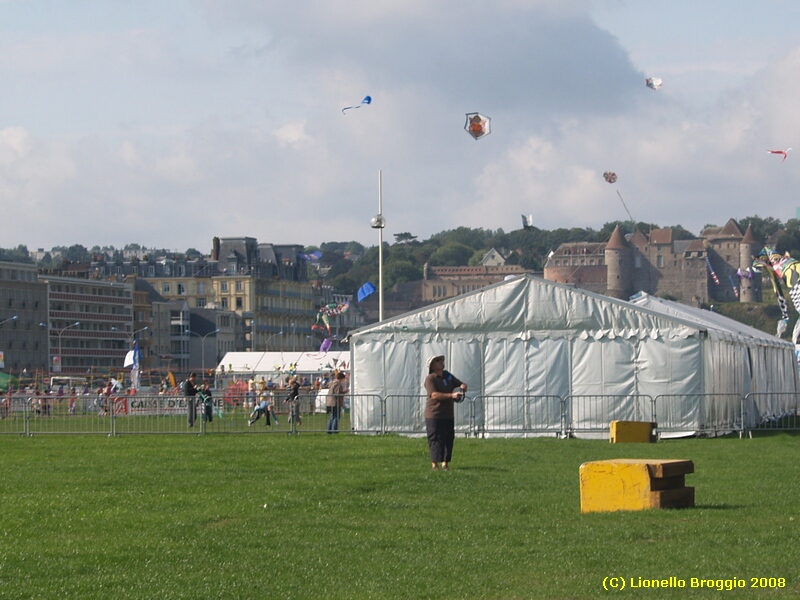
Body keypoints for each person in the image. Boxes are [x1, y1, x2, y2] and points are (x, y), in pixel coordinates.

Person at [424, 355, 467, 471]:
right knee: (435, 438)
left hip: (448, 414)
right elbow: (434, 395)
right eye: (437, 361)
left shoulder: (447, 375)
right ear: (432, 366)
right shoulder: (430, 379)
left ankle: (445, 463)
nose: (441, 362)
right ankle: (434, 464)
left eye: (441, 360)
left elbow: (460, 384)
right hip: (434, 414)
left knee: (448, 438)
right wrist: (451, 395)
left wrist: (462, 386)